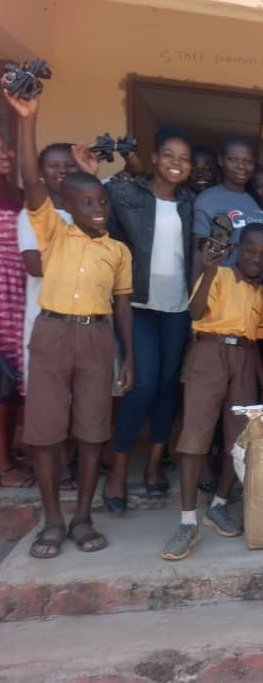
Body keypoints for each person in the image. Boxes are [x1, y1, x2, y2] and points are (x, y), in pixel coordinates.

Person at [7, 90, 134, 559]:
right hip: (52, 333)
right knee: (45, 432)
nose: (99, 207)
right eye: (88, 202)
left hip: (98, 337)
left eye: (102, 200)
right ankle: (53, 521)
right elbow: (31, 182)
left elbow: (123, 307)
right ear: (68, 205)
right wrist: (28, 120)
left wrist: (129, 358)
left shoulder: (117, 251)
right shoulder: (52, 230)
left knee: (93, 431)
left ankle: (83, 516)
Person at [161, 225, 263, 561]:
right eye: (252, 250)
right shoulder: (219, 276)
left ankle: (220, 505)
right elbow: (195, 312)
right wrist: (208, 270)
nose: (258, 257)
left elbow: (254, 342)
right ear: (238, 248)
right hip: (207, 354)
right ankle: (187, 521)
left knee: (236, 441)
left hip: (243, 359)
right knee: (195, 437)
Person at [99, 127, 195, 505]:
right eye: (169, 155)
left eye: (184, 158)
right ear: (155, 157)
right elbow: (97, 207)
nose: (177, 163)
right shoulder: (126, 192)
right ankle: (119, 470)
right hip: (137, 304)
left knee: (169, 386)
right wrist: (127, 163)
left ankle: (155, 464)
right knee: (142, 385)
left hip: (178, 308)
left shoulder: (190, 202)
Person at [16, 142, 78, 491]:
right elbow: (33, 263)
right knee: (49, 398)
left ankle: (68, 459)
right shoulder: (33, 213)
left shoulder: (84, 211)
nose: (62, 171)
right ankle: (57, 466)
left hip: (83, 318)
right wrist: (79, 262)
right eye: (54, 166)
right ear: (40, 173)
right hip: (47, 316)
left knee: (75, 396)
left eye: (68, 165)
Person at [191, 136, 263, 277]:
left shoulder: (255, 200)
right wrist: (196, 295)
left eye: (247, 161)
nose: (241, 166)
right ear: (221, 161)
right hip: (219, 287)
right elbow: (198, 253)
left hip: (253, 290)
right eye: (233, 160)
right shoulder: (208, 199)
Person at [0, 132, 27, 488]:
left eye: (6, 147)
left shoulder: (17, 193)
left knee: (13, 375)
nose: (5, 154)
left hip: (19, 290)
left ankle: (10, 450)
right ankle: (4, 464)